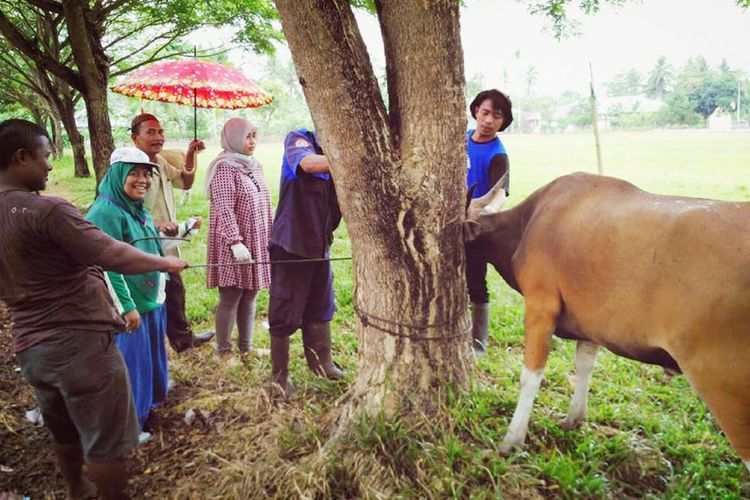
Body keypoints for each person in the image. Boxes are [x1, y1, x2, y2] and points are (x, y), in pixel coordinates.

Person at [0, 119, 187, 499]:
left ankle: (77, 490)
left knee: (63, 430)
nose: (51, 166)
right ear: (21, 158)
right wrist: (166, 263)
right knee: (105, 443)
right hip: (79, 344)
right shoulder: (47, 210)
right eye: (45, 156)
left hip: (31, 346)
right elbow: (110, 253)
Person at [86, 147, 179, 439]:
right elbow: (106, 265)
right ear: (117, 175)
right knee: (132, 366)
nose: (143, 180)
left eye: (146, 174)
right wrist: (126, 307)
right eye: (134, 173)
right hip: (131, 306)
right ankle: (129, 425)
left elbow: (145, 246)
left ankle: (150, 407)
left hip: (151, 298)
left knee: (151, 358)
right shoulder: (105, 212)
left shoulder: (135, 208)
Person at [267, 128, 344, 396]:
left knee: (321, 304)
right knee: (284, 310)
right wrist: (351, 159)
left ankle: (322, 364)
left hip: (320, 245)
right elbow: (308, 164)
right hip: (291, 244)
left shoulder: (338, 145)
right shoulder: (300, 139)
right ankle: (279, 377)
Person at [130, 113, 214, 353]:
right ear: (135, 138)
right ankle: (157, 346)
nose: (159, 137)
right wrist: (155, 224)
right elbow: (127, 211)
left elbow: (185, 183)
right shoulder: (132, 169)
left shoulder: (160, 162)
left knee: (174, 289)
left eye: (160, 132)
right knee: (153, 295)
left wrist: (190, 154)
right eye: (151, 132)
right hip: (143, 243)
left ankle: (182, 339)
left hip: (165, 242)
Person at [204, 118, 273, 367]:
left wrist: (270, 235)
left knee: (251, 293)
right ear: (233, 138)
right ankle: (224, 351)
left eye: (254, 135)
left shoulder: (255, 166)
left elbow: (266, 203)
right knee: (231, 295)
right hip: (232, 242)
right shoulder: (224, 167)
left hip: (256, 239)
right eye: (247, 136)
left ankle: (247, 347)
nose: (252, 141)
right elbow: (224, 208)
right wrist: (235, 241)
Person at [465, 89, 514, 355]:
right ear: (475, 111)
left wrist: (487, 213)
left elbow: (501, 192)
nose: (488, 120)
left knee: (475, 279)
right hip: (450, 217)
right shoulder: (461, 140)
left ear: (503, 122)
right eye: (485, 112)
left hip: (475, 225)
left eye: (496, 116)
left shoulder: (498, 153)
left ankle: (478, 345)